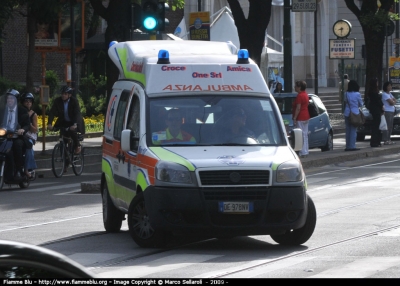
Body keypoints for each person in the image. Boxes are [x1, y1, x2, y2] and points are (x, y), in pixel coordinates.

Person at [47, 86, 84, 166]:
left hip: (74, 121)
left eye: (65, 94)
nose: (63, 95)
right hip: (63, 122)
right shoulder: (58, 101)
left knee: (72, 131)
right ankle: (65, 164)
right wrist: (49, 123)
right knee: (63, 141)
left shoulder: (74, 101)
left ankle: (77, 146)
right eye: (62, 94)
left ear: (69, 95)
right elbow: (52, 112)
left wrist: (75, 124)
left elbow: (77, 113)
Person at [4, 89, 30, 181]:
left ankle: (19, 170)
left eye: (12, 98)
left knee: (17, 145)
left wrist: (22, 129)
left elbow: (27, 124)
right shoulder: (3, 110)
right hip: (4, 137)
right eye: (8, 98)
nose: (9, 100)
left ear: (16, 100)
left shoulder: (22, 110)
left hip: (17, 136)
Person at [21, 93, 38, 179]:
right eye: (26, 101)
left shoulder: (33, 114)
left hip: (29, 136)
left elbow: (35, 129)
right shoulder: (19, 111)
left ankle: (28, 169)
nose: (28, 103)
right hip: (20, 134)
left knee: (29, 146)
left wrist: (28, 123)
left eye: (30, 101)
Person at [343, 80, 363, 151]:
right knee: (353, 130)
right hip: (355, 113)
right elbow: (361, 104)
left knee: (348, 130)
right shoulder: (357, 94)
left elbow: (345, 102)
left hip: (347, 112)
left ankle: (348, 145)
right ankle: (352, 146)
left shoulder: (346, 93)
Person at [292, 80, 310, 158]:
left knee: (300, 135)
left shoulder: (299, 96)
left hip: (301, 117)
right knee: (305, 134)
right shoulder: (305, 94)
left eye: (296, 86)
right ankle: (305, 150)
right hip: (306, 115)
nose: (294, 87)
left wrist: (295, 117)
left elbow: (298, 108)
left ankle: (302, 151)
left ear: (299, 87)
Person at [367, 78, 384, 147]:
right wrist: (382, 108)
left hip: (375, 110)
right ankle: (375, 141)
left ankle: (376, 141)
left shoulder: (371, 91)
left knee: (376, 126)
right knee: (376, 126)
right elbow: (378, 101)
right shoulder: (374, 92)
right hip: (376, 110)